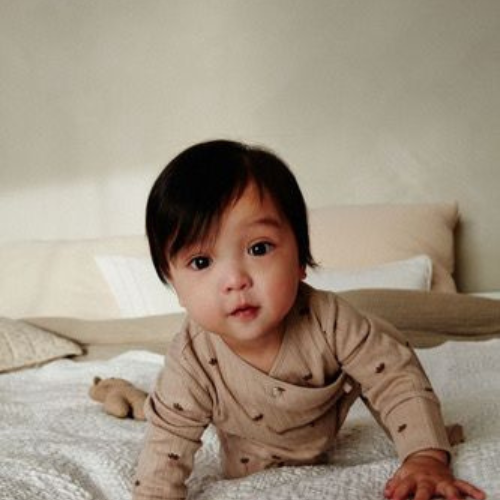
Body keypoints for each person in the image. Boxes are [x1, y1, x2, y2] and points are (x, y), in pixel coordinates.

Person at [134, 139, 485, 500]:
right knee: (166, 410)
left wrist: (425, 456)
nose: (235, 280)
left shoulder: (331, 321)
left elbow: (394, 377)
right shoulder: (190, 360)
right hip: (245, 468)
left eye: (258, 248)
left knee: (388, 350)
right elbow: (166, 442)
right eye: (201, 262)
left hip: (324, 438)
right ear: (175, 286)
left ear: (300, 258)